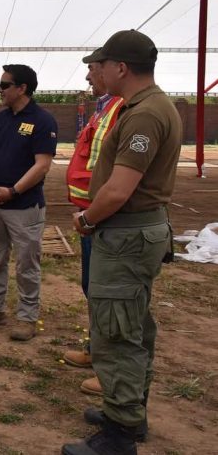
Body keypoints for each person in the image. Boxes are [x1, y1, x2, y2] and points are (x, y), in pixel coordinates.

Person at [62, 30, 181, 455]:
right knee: (133, 325)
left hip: (126, 233)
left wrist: (88, 219)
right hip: (137, 232)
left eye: (104, 64)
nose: (99, 71)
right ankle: (131, 414)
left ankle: (119, 434)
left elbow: (118, 190)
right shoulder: (144, 106)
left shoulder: (144, 114)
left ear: (121, 68)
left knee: (116, 332)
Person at [0, 64, 57, 341]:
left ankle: (27, 318)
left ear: (22, 88)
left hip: (25, 207)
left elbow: (42, 165)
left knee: (27, 264)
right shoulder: (0, 119)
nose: (0, 90)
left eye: (5, 85)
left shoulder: (43, 121)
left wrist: (14, 191)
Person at [63, 50, 124, 394]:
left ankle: (111, 367)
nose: (87, 77)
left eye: (92, 69)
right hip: (93, 216)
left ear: (113, 68)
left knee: (110, 294)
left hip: (104, 217)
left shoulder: (122, 109)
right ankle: (97, 351)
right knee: (94, 289)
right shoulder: (104, 108)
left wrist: (92, 213)